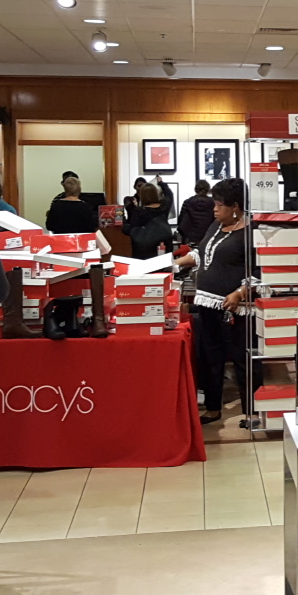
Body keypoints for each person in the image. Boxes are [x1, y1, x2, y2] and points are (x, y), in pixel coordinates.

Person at [176, 178, 251, 423]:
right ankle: (213, 407)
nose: (215, 210)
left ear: (235, 206)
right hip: (207, 303)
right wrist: (173, 264)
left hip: (234, 307)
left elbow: (258, 271)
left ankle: (251, 411)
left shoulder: (250, 233)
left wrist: (240, 292)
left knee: (242, 358)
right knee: (210, 355)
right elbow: (201, 254)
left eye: (220, 205)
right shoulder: (216, 226)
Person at [123, 181, 174, 260]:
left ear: (142, 196)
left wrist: (122, 220)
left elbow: (131, 229)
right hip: (164, 243)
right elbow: (169, 194)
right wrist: (161, 183)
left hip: (146, 250)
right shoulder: (164, 206)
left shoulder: (139, 211)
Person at [176, 179, 217, 250]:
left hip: (190, 239)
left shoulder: (188, 202)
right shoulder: (213, 203)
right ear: (208, 189)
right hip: (208, 237)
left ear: (195, 189)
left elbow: (181, 220)